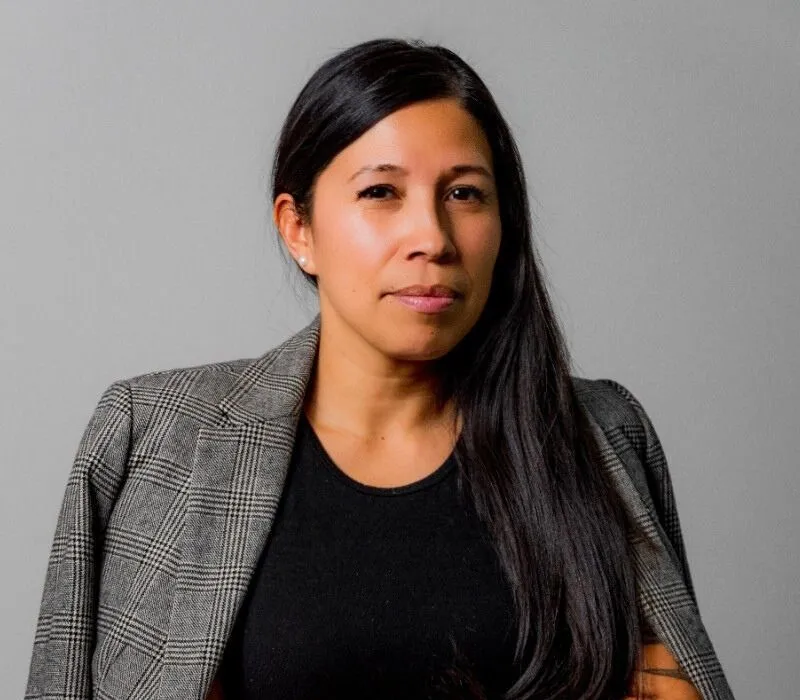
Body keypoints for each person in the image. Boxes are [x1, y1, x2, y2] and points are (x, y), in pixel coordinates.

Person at [25, 38, 734, 700]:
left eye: (464, 193)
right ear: (299, 228)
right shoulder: (155, 438)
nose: (431, 237)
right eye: (380, 193)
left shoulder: (603, 434)